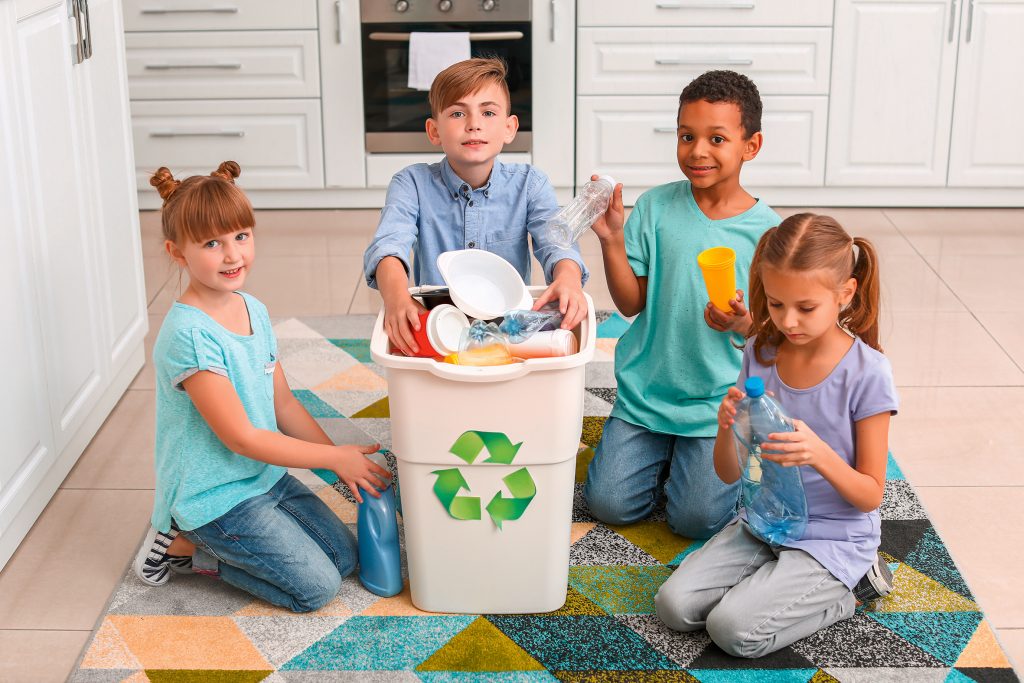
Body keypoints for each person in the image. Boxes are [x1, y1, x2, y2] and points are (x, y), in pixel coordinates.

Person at [132, 161, 389, 613]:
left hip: (264, 476)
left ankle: (214, 543)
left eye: (241, 237)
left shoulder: (252, 307)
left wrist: (340, 467)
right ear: (177, 253)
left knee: (344, 558)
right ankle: (185, 548)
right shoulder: (190, 336)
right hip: (215, 498)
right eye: (212, 243)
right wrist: (332, 457)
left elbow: (283, 403)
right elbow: (242, 438)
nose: (233, 256)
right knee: (316, 589)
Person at [655, 213, 898, 658]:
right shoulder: (760, 354)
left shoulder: (868, 374)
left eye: (806, 308)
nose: (787, 321)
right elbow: (732, 474)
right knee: (673, 607)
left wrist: (820, 454)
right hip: (766, 521)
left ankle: (853, 587)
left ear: (845, 294)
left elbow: (870, 496)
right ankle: (771, 580)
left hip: (832, 536)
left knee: (733, 631)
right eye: (775, 303)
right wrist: (725, 426)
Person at [583, 70, 779, 538]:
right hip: (646, 394)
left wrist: (741, 323)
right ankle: (666, 459)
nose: (697, 151)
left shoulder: (768, 233)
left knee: (697, 522)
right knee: (607, 505)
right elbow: (630, 304)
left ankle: (697, 463)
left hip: (717, 402)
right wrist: (611, 239)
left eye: (717, 138)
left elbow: (772, 334)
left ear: (750, 146)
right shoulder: (654, 208)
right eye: (687, 136)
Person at [363, 57, 589, 356]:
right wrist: (395, 298)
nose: (474, 124)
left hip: (509, 326)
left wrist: (568, 279)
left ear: (509, 128)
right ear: (434, 131)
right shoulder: (411, 184)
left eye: (488, 112)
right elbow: (389, 246)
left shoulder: (530, 184)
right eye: (458, 113)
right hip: (441, 323)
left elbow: (556, 243)